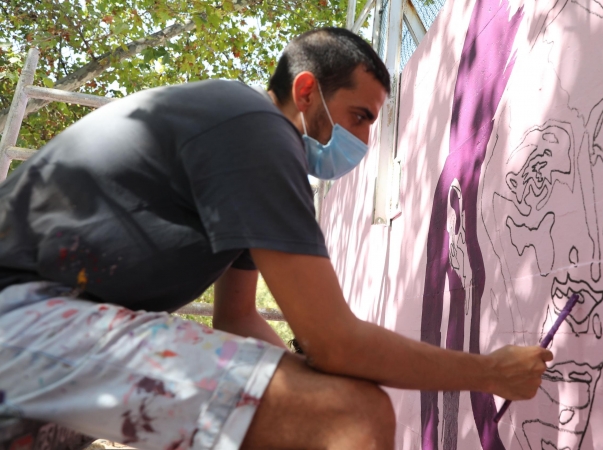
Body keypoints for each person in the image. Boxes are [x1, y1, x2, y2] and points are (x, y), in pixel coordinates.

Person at [0, 27, 552, 450]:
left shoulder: (235, 144)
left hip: (40, 320)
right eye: (359, 116)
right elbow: (336, 341)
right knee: (352, 414)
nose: (362, 139)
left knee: (318, 399)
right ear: (306, 90)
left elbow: (237, 316)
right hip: (20, 315)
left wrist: (303, 373)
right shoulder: (257, 132)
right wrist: (488, 373)